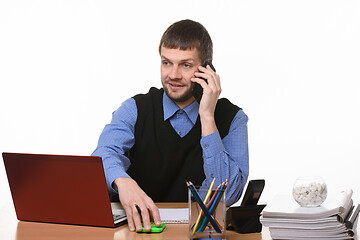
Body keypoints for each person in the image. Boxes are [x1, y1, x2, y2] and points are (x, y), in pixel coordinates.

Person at [92, 19, 249, 232]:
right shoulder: (135, 108)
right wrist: (122, 181)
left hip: (197, 234)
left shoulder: (233, 118)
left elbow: (227, 196)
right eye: (166, 62)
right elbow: (102, 154)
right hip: (139, 232)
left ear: (207, 67)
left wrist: (207, 117)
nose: (173, 75)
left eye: (186, 65)